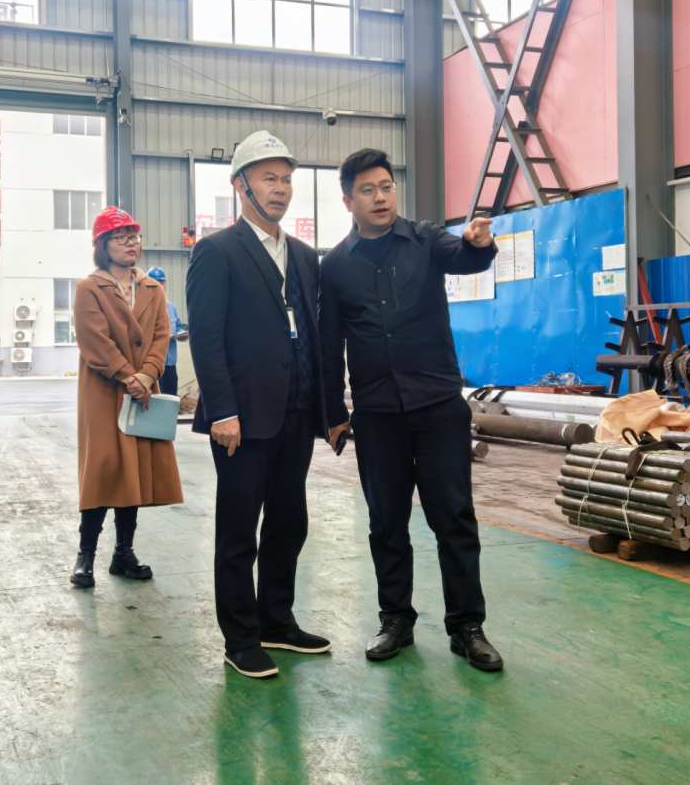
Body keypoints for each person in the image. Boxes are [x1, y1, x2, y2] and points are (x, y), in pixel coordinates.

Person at [319, 148, 504, 672]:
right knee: (386, 522)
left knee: (455, 518)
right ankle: (395, 619)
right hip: (377, 413)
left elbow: (466, 256)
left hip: (438, 406)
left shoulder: (425, 239)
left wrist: (479, 242)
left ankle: (466, 627)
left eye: (386, 187)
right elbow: (330, 345)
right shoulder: (335, 266)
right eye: (367, 190)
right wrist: (332, 412)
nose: (380, 197)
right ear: (348, 201)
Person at [186, 131, 334, 679]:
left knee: (289, 523)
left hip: (296, 412)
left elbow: (314, 333)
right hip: (243, 419)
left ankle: (277, 621)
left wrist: (328, 410)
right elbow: (207, 338)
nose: (281, 188)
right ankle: (241, 638)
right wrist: (222, 411)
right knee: (238, 531)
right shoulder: (217, 251)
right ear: (240, 185)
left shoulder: (305, 256)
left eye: (287, 179)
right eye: (269, 178)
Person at [71, 210, 183, 588]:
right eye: (120, 237)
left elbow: (160, 336)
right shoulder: (89, 288)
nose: (131, 243)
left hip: (141, 390)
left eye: (134, 236)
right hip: (104, 390)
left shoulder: (153, 288)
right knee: (102, 467)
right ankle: (85, 555)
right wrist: (128, 375)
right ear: (102, 246)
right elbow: (93, 339)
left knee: (132, 468)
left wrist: (148, 374)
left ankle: (123, 553)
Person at [145, 266, 187, 396]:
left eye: (162, 282)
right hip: (153, 363)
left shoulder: (171, 307)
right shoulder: (143, 307)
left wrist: (182, 335)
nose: (159, 285)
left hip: (170, 364)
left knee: (171, 398)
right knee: (155, 400)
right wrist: (162, 336)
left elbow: (178, 327)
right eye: (155, 282)